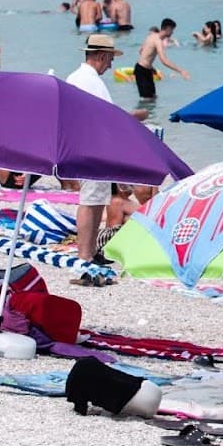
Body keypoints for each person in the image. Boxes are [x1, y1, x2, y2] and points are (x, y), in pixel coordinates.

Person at [65, 34, 147, 273]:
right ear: (101, 56)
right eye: (110, 59)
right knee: (91, 201)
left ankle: (90, 251)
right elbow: (107, 118)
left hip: (83, 145)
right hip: (91, 147)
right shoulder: (90, 81)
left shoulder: (76, 77)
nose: (111, 65)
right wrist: (131, 119)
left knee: (97, 199)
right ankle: (85, 254)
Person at [134, 19, 189, 99]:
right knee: (147, 100)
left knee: (153, 97)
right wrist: (181, 71)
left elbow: (141, 51)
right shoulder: (158, 41)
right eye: (172, 30)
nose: (172, 33)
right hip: (142, 71)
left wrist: (150, 66)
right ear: (168, 29)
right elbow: (164, 60)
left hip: (145, 69)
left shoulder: (151, 36)